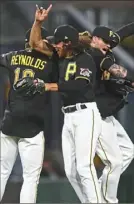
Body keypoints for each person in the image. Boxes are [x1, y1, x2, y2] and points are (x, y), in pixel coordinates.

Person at [14, 5, 103, 203]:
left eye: (59, 44)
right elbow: (36, 44)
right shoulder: (58, 55)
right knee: (71, 172)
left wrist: (46, 86)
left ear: (68, 44)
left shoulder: (86, 59)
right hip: (69, 116)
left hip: (86, 115)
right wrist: (38, 22)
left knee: (84, 167)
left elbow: (77, 86)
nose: (55, 46)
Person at [0, 17, 58, 203]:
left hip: (10, 122)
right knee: (31, 178)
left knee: (2, 172)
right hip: (32, 125)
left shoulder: (11, 56)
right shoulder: (49, 63)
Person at [79, 27, 134, 203]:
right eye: (106, 42)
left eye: (111, 43)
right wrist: (127, 79)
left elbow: (122, 32)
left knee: (128, 151)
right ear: (95, 39)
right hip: (94, 114)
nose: (109, 45)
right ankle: (106, 200)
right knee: (114, 162)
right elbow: (118, 71)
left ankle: (101, 190)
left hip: (105, 114)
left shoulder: (103, 49)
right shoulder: (92, 54)